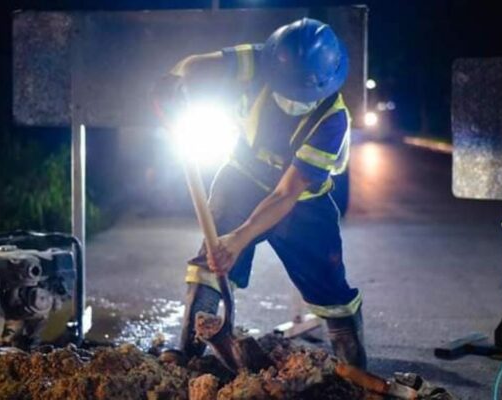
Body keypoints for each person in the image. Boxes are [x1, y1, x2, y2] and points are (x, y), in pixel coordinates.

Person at [154, 18, 365, 368]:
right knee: (210, 260)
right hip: (243, 175)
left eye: (305, 95)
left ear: (325, 84)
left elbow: (285, 194)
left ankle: (352, 365)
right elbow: (193, 65)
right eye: (288, 89)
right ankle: (187, 353)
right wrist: (174, 81)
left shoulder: (333, 121)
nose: (294, 100)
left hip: (302, 202)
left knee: (328, 284)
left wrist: (237, 240)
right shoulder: (261, 60)